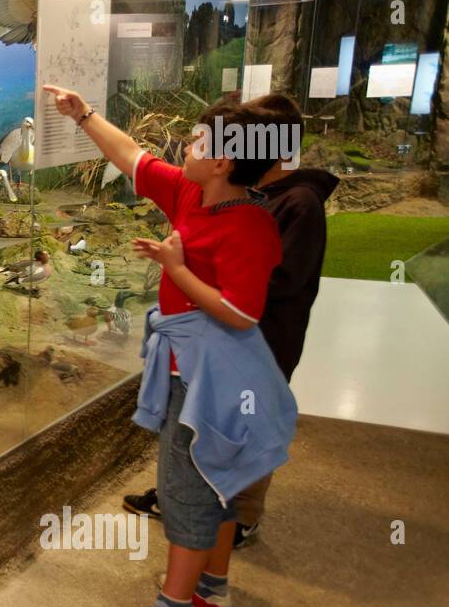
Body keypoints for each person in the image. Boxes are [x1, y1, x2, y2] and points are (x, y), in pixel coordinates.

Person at [43, 83, 299, 607]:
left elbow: (242, 311)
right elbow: (131, 155)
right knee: (217, 478)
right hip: (190, 361)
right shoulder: (192, 190)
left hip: (214, 375)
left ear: (224, 160)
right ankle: (213, 588)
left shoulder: (250, 225)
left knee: (186, 490)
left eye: (198, 138)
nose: (186, 142)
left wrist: (176, 270)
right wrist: (82, 114)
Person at [122, 98, 338, 550]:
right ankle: (194, 511)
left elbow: (273, 285)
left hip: (261, 344)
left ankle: (236, 519)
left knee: (240, 435)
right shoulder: (244, 197)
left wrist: (193, 272)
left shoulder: (292, 204)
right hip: (215, 346)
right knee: (200, 441)